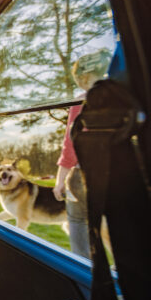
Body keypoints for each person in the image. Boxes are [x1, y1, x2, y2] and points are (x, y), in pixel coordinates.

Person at [53, 49, 112, 258]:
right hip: (117, 172)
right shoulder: (121, 95)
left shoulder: (81, 101)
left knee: (77, 220)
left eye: (77, 78)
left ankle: (85, 270)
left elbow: (71, 144)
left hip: (83, 175)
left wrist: (60, 180)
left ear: (84, 77)